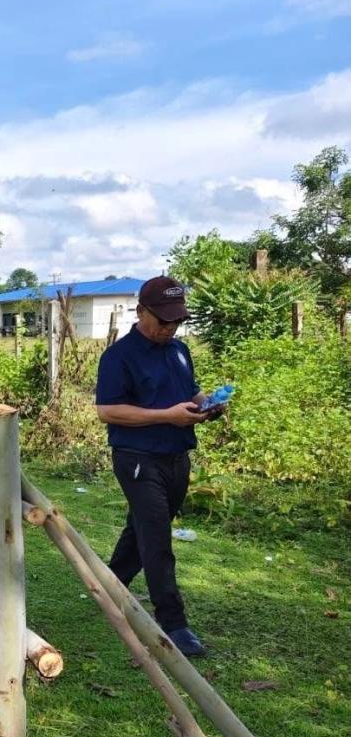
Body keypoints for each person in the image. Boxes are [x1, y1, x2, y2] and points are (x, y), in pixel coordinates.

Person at [95, 276, 221, 658]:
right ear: (141, 312)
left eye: (176, 321)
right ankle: (173, 622)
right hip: (137, 458)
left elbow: (189, 390)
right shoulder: (119, 357)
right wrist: (166, 416)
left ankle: (109, 585)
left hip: (177, 456)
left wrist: (208, 402)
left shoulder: (179, 350)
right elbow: (107, 411)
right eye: (163, 321)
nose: (169, 328)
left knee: (144, 528)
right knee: (157, 540)